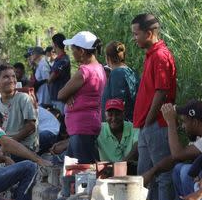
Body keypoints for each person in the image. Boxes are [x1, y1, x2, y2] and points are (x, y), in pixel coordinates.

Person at [131, 13, 177, 200]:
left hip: (156, 123)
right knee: (145, 174)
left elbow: (162, 91)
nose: (134, 38)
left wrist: (149, 118)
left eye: (136, 34)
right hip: (146, 125)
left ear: (149, 33)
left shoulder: (160, 55)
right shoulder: (151, 54)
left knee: (162, 172)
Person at [57, 31, 106, 163]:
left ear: (82, 51)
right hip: (89, 123)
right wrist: (70, 94)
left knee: (84, 169)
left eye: (73, 49)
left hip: (82, 126)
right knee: (71, 169)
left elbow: (60, 94)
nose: (72, 53)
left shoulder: (85, 71)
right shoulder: (99, 68)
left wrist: (67, 94)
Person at [0, 64, 38, 156]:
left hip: (24, 147)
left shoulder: (23, 98)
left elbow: (31, 126)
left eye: (13, 76)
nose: (11, 80)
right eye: (6, 77)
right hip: (6, 146)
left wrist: (9, 143)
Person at [101, 41, 139, 122]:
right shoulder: (131, 72)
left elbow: (118, 102)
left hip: (120, 125)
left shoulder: (117, 73)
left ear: (108, 58)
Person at [96, 99, 138, 164]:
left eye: (117, 114)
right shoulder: (98, 129)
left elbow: (137, 147)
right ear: (105, 115)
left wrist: (120, 166)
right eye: (110, 115)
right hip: (106, 170)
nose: (114, 118)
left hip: (131, 169)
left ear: (124, 114)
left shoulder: (134, 128)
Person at [49, 33, 71, 114]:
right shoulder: (59, 59)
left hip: (60, 98)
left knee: (60, 122)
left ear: (55, 44)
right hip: (55, 97)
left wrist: (48, 79)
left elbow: (51, 78)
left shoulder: (63, 60)